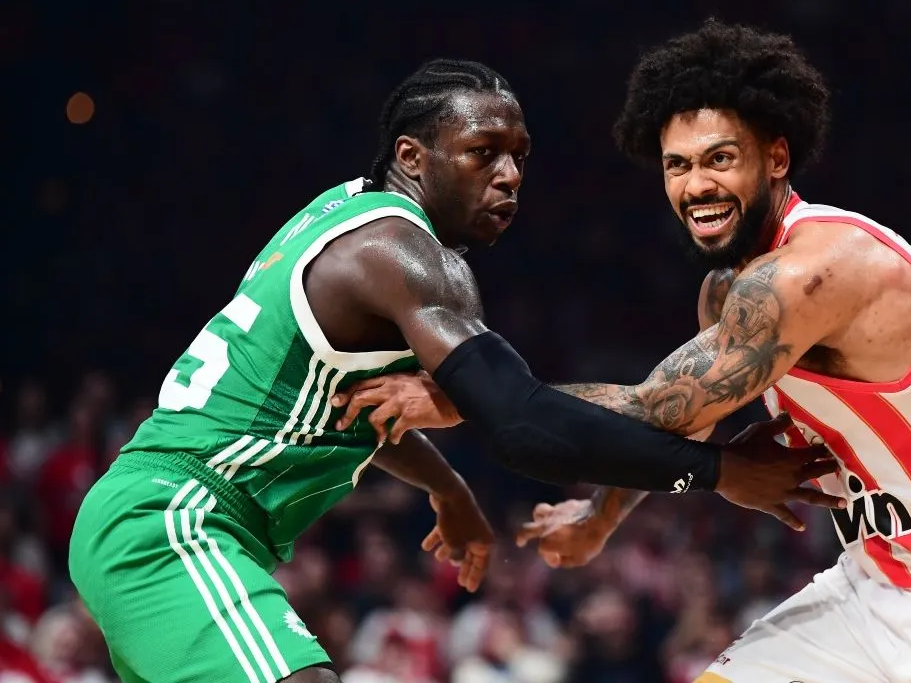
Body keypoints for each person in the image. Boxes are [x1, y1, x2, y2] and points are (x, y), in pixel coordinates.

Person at [338, 26, 911, 682]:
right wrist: (602, 519)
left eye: (719, 159)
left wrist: (459, 395)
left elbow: (646, 406)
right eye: (677, 166)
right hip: (877, 590)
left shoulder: (815, 272)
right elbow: (677, 418)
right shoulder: (730, 291)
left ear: (776, 157)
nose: (696, 185)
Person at [67, 58, 838, 683]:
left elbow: (357, 408)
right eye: (482, 153)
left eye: (519, 156)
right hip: (178, 518)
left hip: (159, 513)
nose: (508, 175)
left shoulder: (341, 212)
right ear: (412, 156)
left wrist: (448, 489)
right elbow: (523, 424)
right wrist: (717, 473)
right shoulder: (405, 255)